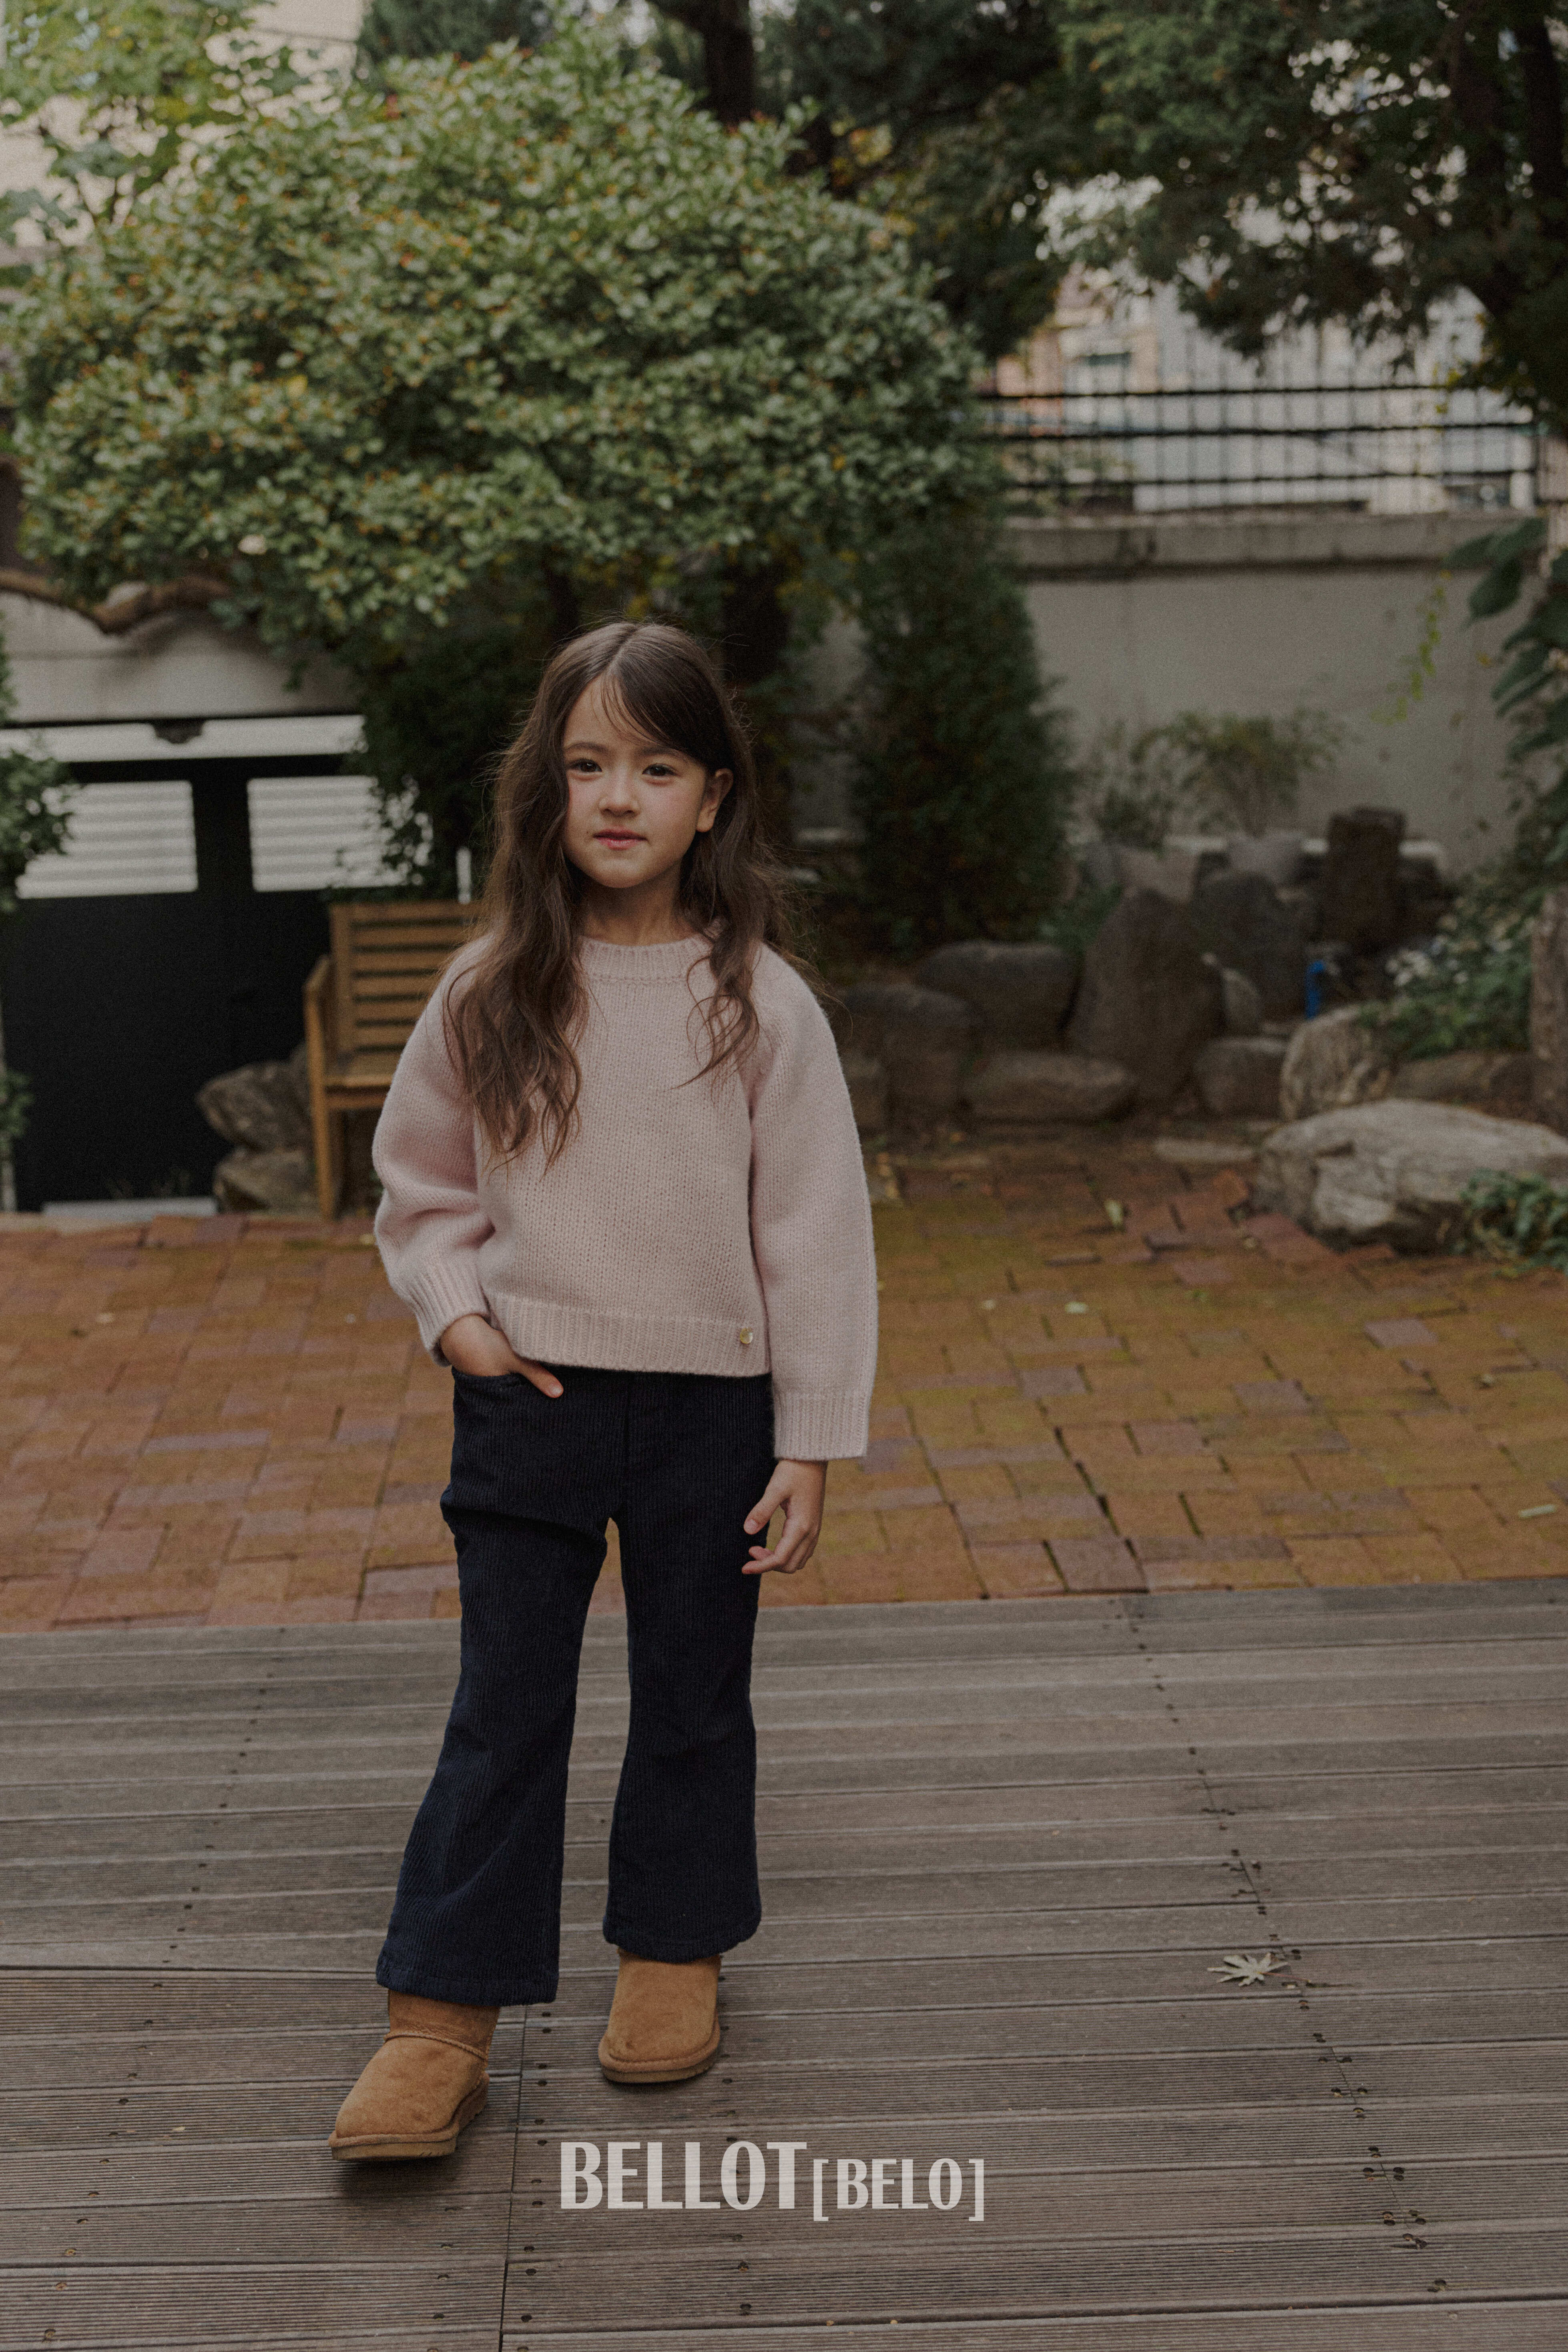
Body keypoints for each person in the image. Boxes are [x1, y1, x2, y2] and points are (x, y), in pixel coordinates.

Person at [328, 619, 877, 2161]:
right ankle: (438, 2018)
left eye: (658, 766)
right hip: (533, 1399)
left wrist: (810, 1441)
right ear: (546, 787)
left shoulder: (764, 1003)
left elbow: (817, 1230)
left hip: (715, 1412)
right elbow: (421, 1180)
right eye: (587, 765)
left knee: (694, 1694)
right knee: (505, 1706)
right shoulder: (493, 982)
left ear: (715, 797)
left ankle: (672, 1952)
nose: (619, 796)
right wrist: (459, 1322)